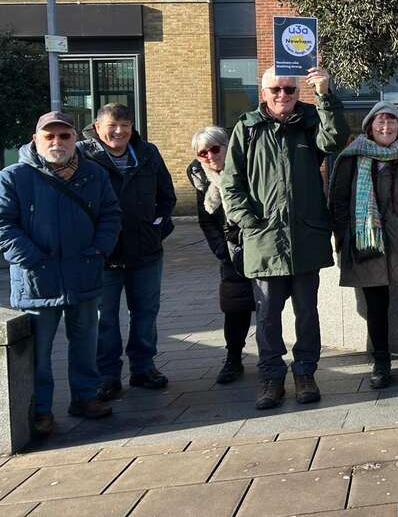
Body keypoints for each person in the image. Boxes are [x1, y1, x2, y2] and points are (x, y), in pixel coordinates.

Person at [222, 65, 344, 410]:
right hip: (265, 240)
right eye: (275, 89)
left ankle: (305, 372)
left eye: (289, 90)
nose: (282, 96)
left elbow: (333, 139)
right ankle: (271, 377)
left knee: (307, 313)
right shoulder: (247, 128)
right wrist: (249, 222)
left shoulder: (310, 120)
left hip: (305, 237)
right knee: (267, 316)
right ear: (263, 92)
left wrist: (325, 95)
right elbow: (231, 184)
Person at [0, 112, 121, 436]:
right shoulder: (13, 176)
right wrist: (30, 257)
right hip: (37, 279)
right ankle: (39, 410)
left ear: (74, 139)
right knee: (38, 353)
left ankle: (85, 397)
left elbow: (111, 214)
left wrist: (98, 249)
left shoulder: (93, 174)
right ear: (35, 139)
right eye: (49, 137)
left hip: (83, 273)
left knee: (85, 344)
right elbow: (3, 223)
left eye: (64, 136)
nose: (57, 143)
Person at [330, 102, 398, 391]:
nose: (386, 127)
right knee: (376, 307)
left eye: (392, 122)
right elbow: (338, 202)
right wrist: (342, 241)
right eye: (381, 121)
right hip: (367, 243)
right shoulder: (352, 158)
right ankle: (381, 363)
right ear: (370, 126)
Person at [78, 104, 176, 401]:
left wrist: (155, 229)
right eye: (112, 124)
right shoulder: (83, 155)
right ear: (97, 126)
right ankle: (107, 375)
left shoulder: (147, 153)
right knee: (103, 318)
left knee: (145, 314)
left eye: (126, 124)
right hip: (102, 255)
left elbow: (166, 196)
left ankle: (143, 368)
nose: (119, 131)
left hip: (145, 251)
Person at [186, 126, 254, 384]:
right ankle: (233, 358)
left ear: (227, 147)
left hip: (259, 246)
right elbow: (206, 220)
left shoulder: (247, 169)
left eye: (216, 149)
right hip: (230, 252)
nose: (210, 156)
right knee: (235, 308)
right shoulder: (201, 179)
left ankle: (272, 357)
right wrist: (221, 250)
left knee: (269, 307)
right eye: (203, 153)